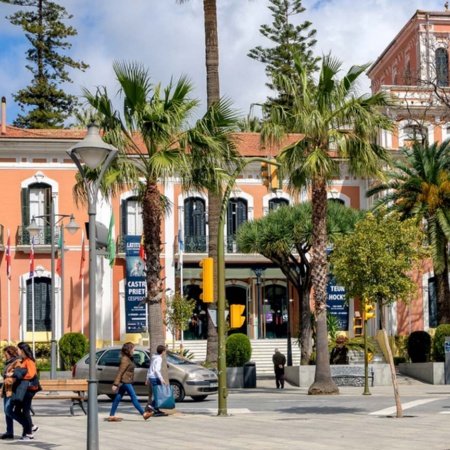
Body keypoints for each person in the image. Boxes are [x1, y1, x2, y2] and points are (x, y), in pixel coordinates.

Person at [107, 342, 153, 422]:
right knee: (134, 397)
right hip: (126, 381)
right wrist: (115, 384)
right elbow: (120, 372)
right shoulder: (125, 359)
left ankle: (111, 415)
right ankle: (144, 414)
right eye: (133, 348)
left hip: (127, 380)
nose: (134, 350)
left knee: (118, 398)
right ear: (129, 349)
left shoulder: (129, 358)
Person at [6, 342, 40, 441]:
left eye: (18, 349)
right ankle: (32, 427)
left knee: (25, 411)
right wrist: (14, 374)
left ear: (22, 350)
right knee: (17, 411)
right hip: (24, 389)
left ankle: (30, 433)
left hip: (29, 389)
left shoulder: (29, 361)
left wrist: (17, 376)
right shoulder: (24, 360)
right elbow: (21, 371)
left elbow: (31, 374)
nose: (17, 351)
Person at [0, 346, 21, 440]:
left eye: (6, 354)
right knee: (6, 411)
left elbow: (17, 375)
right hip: (6, 390)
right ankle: (9, 432)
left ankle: (28, 425)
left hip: (12, 390)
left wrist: (9, 379)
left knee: (8, 410)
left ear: (11, 354)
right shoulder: (9, 362)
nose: (5, 356)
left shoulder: (17, 362)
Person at [145, 345, 168, 416]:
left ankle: (156, 409)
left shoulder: (154, 357)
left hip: (152, 377)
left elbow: (150, 369)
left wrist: (148, 378)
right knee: (159, 394)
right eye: (164, 351)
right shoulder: (159, 359)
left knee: (156, 394)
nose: (165, 352)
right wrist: (161, 379)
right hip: (155, 378)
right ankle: (152, 406)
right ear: (162, 351)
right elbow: (156, 370)